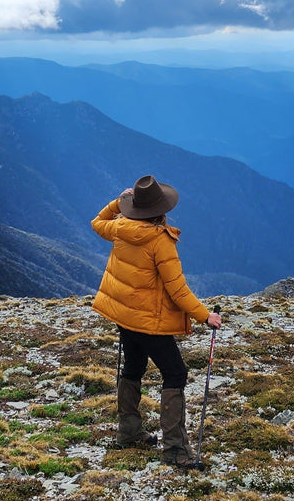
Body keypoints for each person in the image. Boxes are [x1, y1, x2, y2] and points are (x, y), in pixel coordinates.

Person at [91, 174, 221, 468]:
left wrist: (117, 203)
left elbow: (97, 222)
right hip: (150, 322)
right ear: (161, 209)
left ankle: (128, 431)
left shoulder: (120, 227)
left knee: (134, 367)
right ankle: (175, 449)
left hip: (125, 317)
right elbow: (177, 290)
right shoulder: (160, 241)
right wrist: (205, 316)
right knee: (175, 374)